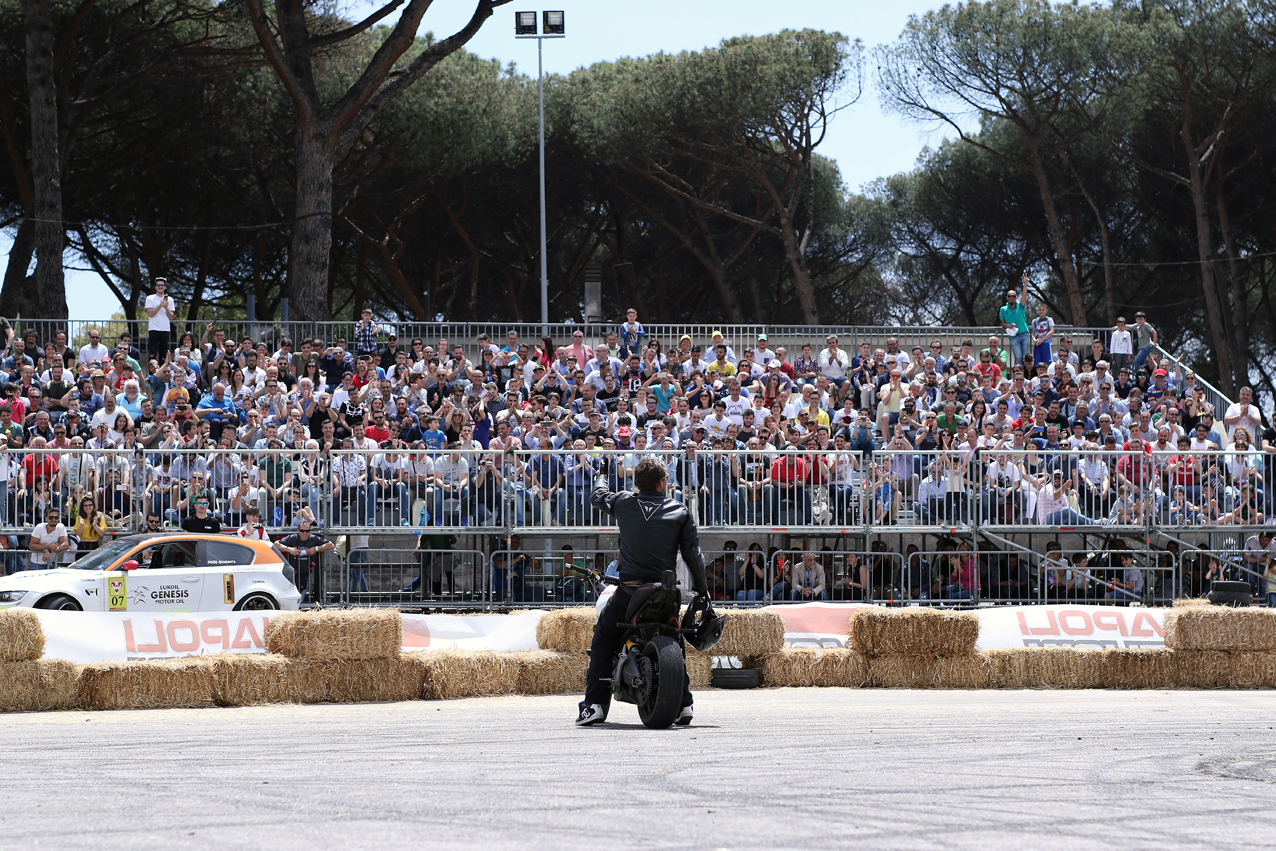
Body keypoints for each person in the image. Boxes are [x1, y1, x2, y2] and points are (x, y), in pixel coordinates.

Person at [578, 455, 708, 727]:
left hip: (630, 591)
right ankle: (684, 704)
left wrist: (602, 472)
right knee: (674, 637)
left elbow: (597, 495)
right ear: (663, 483)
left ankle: (593, 706)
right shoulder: (680, 510)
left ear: (638, 483)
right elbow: (693, 555)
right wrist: (703, 592)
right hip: (666, 593)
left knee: (603, 638)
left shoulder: (624, 502)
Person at [277, 522, 335, 603]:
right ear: (298, 530)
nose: (305, 533)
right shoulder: (293, 538)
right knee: (290, 595)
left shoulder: (313, 538)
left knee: (301, 596)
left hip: (306, 572)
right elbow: (276, 544)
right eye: (302, 531)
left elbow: (331, 545)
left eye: (307, 531)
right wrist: (289, 549)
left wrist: (316, 549)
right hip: (292, 573)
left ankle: (299, 608)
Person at [144, 277, 176, 362]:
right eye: (158, 285)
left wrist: (166, 307)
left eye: (162, 285)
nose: (160, 287)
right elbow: (150, 313)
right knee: (152, 354)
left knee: (163, 355)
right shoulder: (150, 298)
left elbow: (171, 316)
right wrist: (160, 305)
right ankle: (152, 374)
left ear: (165, 287)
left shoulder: (170, 300)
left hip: (165, 329)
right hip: (153, 329)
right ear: (155, 287)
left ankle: (163, 373)